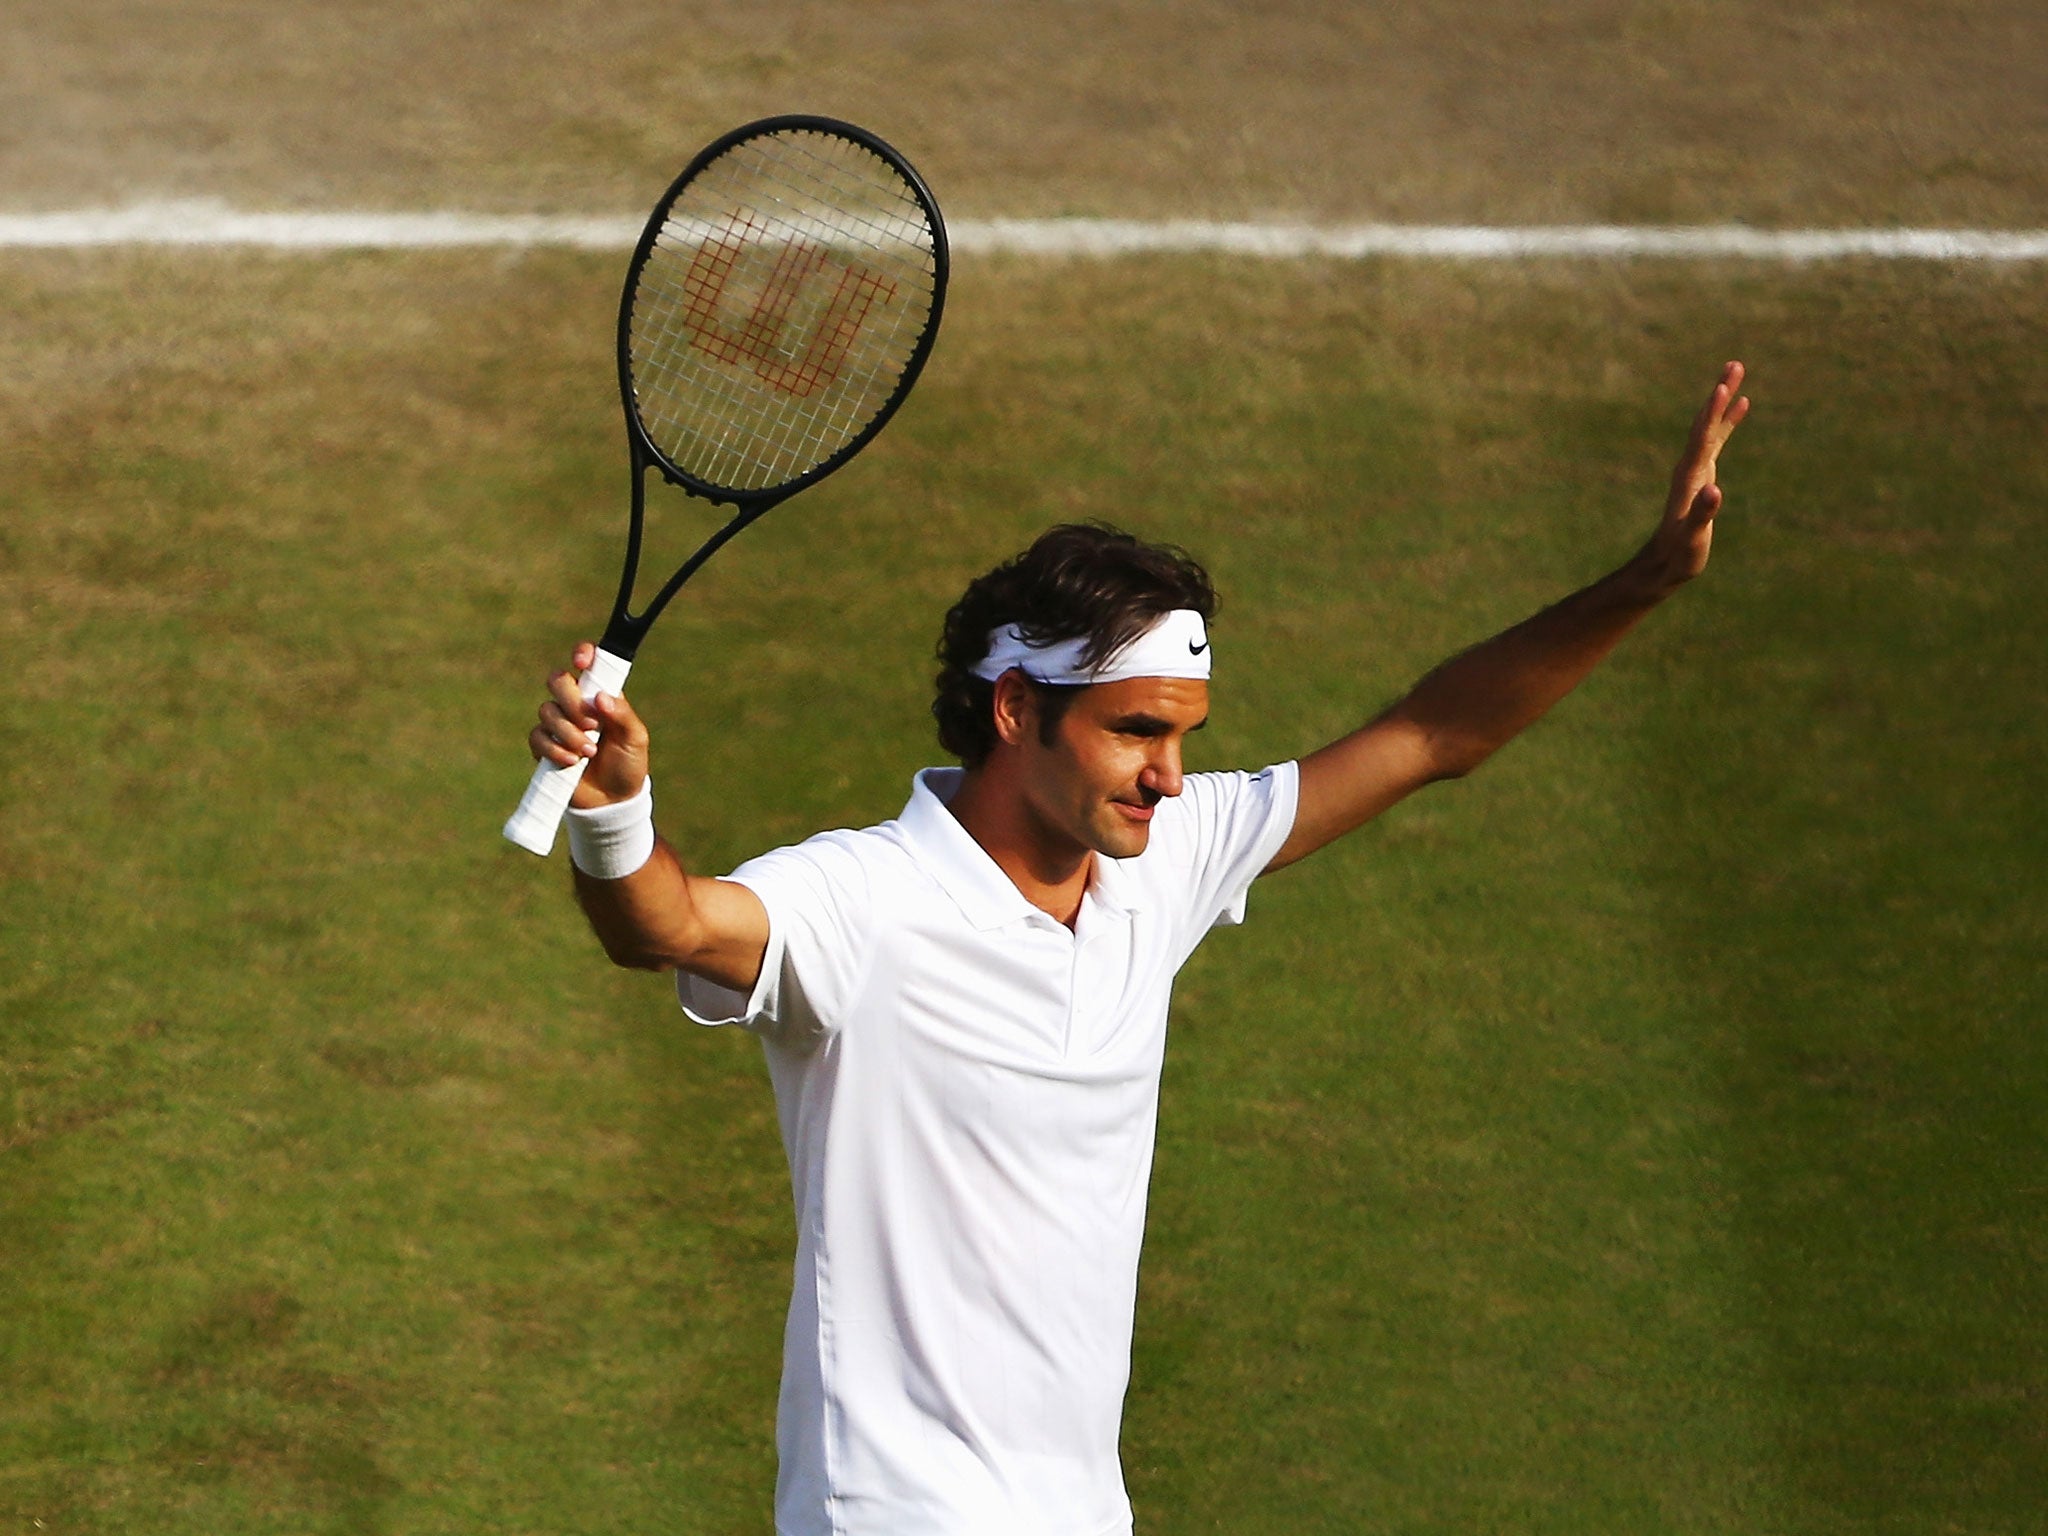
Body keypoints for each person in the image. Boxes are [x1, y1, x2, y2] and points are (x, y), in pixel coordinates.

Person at [528, 364, 1750, 1536]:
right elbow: (670, 926)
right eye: (1133, 732)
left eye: (1182, 736)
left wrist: (1640, 584)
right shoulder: (866, 901)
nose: (1169, 776)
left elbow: (1432, 735)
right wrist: (612, 810)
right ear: (1017, 710)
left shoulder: (1156, 860)